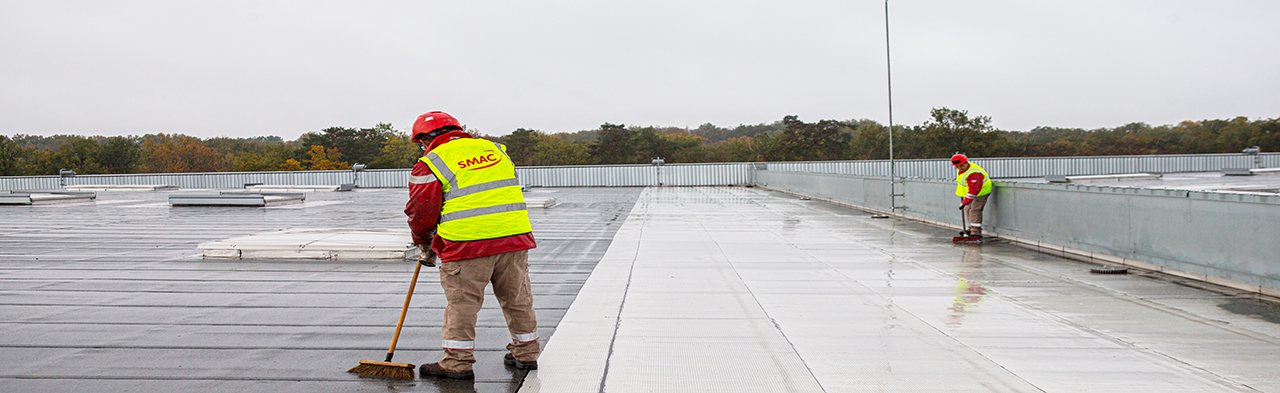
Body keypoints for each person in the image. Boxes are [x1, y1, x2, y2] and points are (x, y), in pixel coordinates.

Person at [404, 111, 540, 380]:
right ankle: (526, 354)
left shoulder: (431, 162)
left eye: (420, 142)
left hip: (466, 244)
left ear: (426, 138)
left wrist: (423, 241)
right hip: (513, 238)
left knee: (463, 304)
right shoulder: (496, 151)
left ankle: (456, 363)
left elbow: (422, 210)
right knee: (517, 298)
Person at [951, 153, 992, 237]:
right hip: (971, 193)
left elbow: (975, 190)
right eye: (957, 167)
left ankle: (976, 232)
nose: (959, 168)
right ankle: (971, 228)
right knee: (967, 209)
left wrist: (964, 202)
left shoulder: (974, 173)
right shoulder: (964, 169)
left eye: (961, 166)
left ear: (966, 163)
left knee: (975, 210)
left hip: (981, 192)